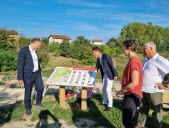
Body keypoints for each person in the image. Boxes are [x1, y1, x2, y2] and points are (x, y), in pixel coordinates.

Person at [135, 41, 169, 128]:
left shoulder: (159, 60)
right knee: (143, 108)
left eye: (144, 48)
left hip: (154, 91)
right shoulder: (146, 59)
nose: (143, 50)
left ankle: (156, 126)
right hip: (143, 89)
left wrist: (165, 84)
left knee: (156, 110)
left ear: (151, 48)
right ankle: (140, 124)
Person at [116, 39, 143, 128]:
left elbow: (135, 82)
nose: (123, 50)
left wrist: (121, 91)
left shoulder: (134, 61)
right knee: (127, 120)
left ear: (129, 48)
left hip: (132, 94)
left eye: (124, 47)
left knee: (127, 121)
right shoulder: (133, 60)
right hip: (131, 94)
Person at [17, 38, 44, 115]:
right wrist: (20, 78)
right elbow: (20, 65)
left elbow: (36, 62)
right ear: (34, 43)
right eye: (39, 44)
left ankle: (38, 102)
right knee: (28, 92)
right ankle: (28, 108)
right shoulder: (23, 51)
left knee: (40, 88)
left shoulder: (35, 51)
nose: (39, 46)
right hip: (28, 75)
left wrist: (40, 71)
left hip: (37, 74)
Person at [92, 47, 118, 111]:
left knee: (108, 89)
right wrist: (91, 73)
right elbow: (96, 68)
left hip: (110, 75)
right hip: (104, 76)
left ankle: (110, 105)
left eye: (94, 53)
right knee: (104, 89)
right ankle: (105, 102)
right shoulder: (98, 59)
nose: (93, 55)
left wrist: (115, 74)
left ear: (97, 51)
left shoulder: (106, 56)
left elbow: (111, 65)